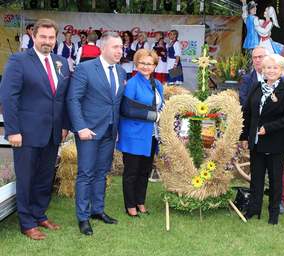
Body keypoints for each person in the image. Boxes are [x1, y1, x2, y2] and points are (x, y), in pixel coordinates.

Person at [0, 18, 70, 240]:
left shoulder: (62, 62)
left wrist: (64, 125)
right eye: (43, 37)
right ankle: (26, 222)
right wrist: (12, 130)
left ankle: (39, 214)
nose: (47, 41)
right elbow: (8, 97)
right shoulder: (18, 60)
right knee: (26, 177)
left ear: (55, 39)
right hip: (26, 133)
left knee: (44, 176)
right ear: (33, 36)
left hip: (53, 133)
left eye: (51, 37)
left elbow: (63, 98)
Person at [67, 32, 126, 235]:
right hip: (89, 132)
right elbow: (73, 99)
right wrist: (80, 127)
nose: (120, 51)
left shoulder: (121, 72)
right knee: (86, 174)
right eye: (115, 47)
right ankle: (83, 218)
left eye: (121, 47)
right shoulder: (85, 68)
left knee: (102, 173)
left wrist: (116, 128)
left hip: (110, 132)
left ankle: (97, 210)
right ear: (102, 48)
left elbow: (115, 103)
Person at [240, 54, 284, 225]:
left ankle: (273, 214)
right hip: (256, 143)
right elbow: (247, 113)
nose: (271, 71)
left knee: (275, 180)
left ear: (281, 71)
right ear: (262, 70)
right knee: (256, 178)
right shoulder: (257, 87)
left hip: (276, 142)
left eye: (274, 68)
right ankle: (253, 209)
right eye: (267, 68)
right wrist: (244, 136)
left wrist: (269, 128)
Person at [117, 48, 164, 217]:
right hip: (134, 134)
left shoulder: (157, 84)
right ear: (136, 64)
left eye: (149, 63)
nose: (145, 66)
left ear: (154, 66)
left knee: (144, 171)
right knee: (132, 172)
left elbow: (161, 106)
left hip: (151, 135)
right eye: (142, 63)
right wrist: (154, 115)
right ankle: (130, 205)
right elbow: (127, 109)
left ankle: (140, 201)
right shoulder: (132, 84)